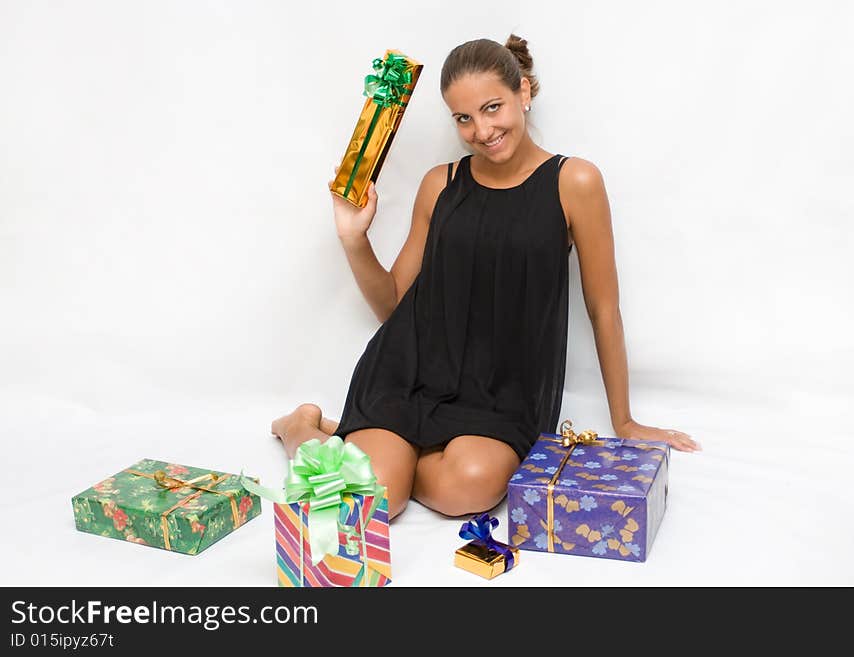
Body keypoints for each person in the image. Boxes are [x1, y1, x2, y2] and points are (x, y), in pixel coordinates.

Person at [271, 34, 699, 521]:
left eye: (493, 107)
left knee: (467, 489)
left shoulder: (575, 181)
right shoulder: (441, 184)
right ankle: (301, 426)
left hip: (505, 392)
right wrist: (353, 238)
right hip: (408, 375)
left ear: (523, 92)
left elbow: (604, 308)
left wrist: (624, 420)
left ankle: (361, 447)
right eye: (463, 118)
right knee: (370, 504)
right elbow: (393, 305)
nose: (482, 130)